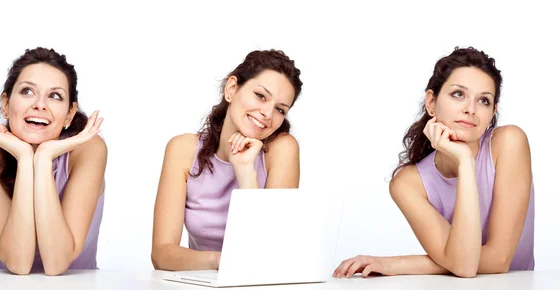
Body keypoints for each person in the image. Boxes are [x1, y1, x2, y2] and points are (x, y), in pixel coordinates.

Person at [333, 47, 534, 278]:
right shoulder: (408, 183)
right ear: (431, 102)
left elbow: (497, 260)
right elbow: (464, 266)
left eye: (484, 101)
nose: (470, 109)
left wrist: (397, 265)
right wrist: (465, 162)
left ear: (492, 113)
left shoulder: (509, 142)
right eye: (458, 94)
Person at [151, 49, 303, 270]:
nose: (268, 114)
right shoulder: (183, 150)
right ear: (232, 89)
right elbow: (161, 254)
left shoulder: (282, 149)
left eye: (280, 109)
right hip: (202, 281)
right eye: (260, 96)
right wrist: (221, 261)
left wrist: (245, 172)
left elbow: (269, 251)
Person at [0, 47, 107, 275]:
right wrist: (24, 157)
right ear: (5, 104)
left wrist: (42, 157)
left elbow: (57, 264)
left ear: (70, 114)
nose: (40, 105)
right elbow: (18, 263)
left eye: (55, 96)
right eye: (27, 91)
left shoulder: (88, 149)